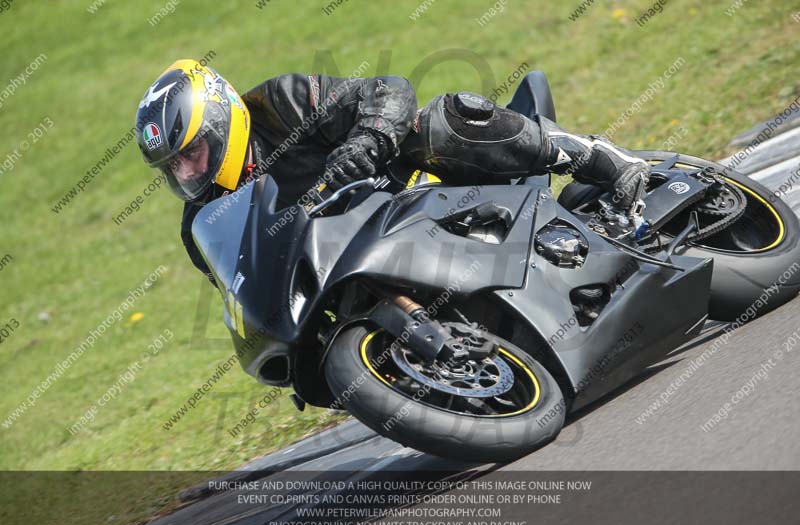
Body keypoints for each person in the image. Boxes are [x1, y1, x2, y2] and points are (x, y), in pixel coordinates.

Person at [134, 59, 650, 283]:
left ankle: (600, 158)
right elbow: (246, 290)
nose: (186, 171)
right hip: (357, 260)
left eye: (192, 150)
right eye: (173, 165)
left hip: (408, 186)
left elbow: (388, 91)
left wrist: (367, 140)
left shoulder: (279, 102)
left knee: (439, 122)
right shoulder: (199, 226)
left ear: (221, 121)